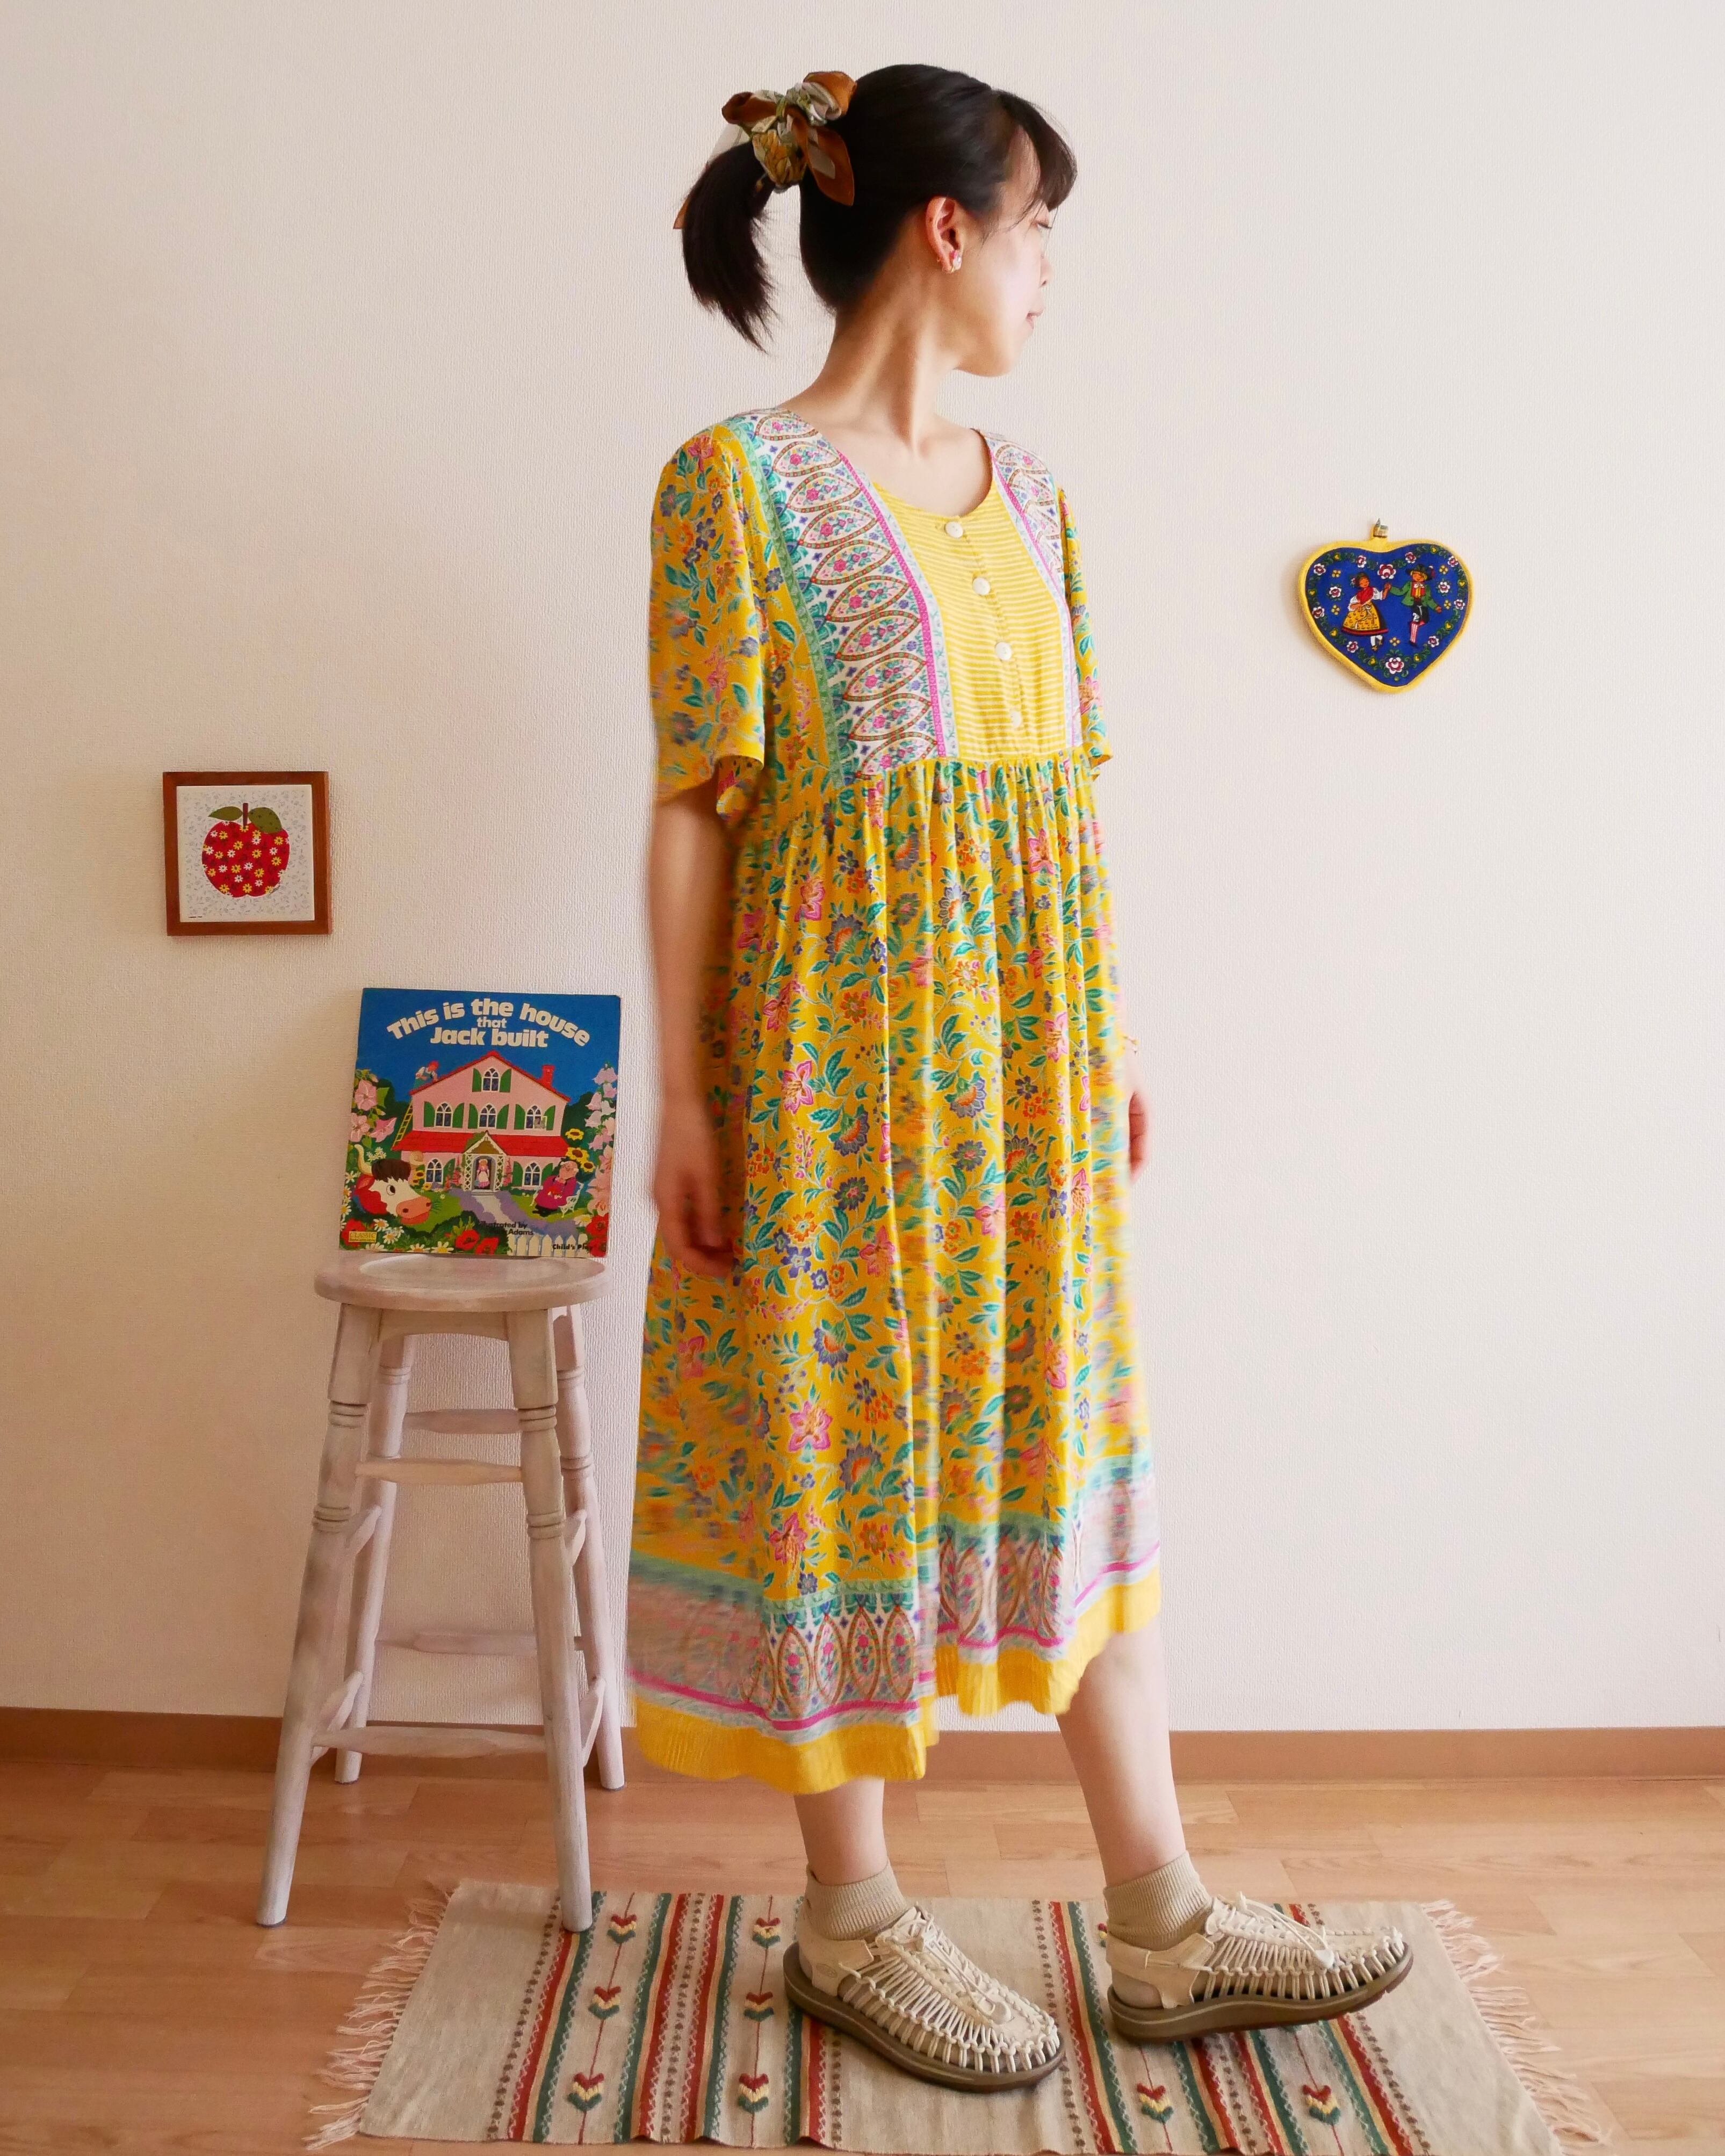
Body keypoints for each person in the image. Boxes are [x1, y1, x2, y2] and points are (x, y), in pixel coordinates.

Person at [627, 63, 1411, 2092]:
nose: (1052, 271)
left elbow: (1059, 804)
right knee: (833, 1452)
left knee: (1068, 1439)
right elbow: (697, 806)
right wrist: (689, 1100)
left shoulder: (1038, 497)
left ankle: (1162, 1925)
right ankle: (850, 1922)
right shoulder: (734, 487)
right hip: (825, 1060)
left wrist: (1109, 1027)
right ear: (948, 226)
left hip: (1028, 1061)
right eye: (1040, 226)